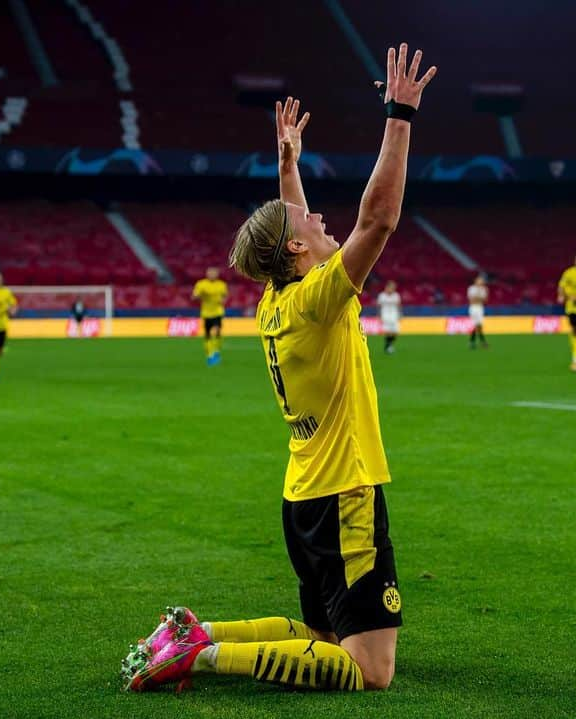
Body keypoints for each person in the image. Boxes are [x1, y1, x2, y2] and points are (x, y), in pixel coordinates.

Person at [122, 44, 436, 693]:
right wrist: (399, 115)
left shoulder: (276, 300)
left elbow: (289, 226)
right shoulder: (319, 300)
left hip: (302, 494)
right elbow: (377, 219)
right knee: (368, 669)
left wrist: (287, 164)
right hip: (345, 490)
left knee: (322, 639)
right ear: (297, 248)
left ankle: (195, 631)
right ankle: (203, 657)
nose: (322, 217)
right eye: (310, 219)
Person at [192, 267, 228, 365]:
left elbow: (225, 297)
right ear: (207, 274)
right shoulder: (201, 284)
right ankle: (210, 354)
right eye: (210, 273)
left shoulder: (221, 285)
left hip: (217, 312)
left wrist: (223, 301)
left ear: (217, 274)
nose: (212, 275)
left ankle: (216, 351)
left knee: (217, 331)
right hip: (206, 313)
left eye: (214, 273)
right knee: (207, 334)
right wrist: (200, 295)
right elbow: (194, 296)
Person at [377, 280, 402, 353]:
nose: (392, 289)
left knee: (395, 332)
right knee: (388, 332)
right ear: (387, 287)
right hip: (385, 315)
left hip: (394, 314)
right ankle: (388, 346)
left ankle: (389, 344)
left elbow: (399, 305)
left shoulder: (396, 295)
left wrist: (400, 314)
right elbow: (379, 306)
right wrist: (379, 315)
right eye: (391, 287)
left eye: (393, 288)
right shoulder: (382, 296)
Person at [466, 274, 489, 349]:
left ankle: (473, 342)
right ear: (475, 281)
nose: (481, 281)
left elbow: (485, 300)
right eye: (479, 280)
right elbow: (472, 300)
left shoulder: (484, 289)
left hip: (480, 308)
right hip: (473, 308)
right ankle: (481, 342)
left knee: (479, 325)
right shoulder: (471, 288)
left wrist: (478, 298)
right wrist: (479, 298)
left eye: (481, 280)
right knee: (475, 325)